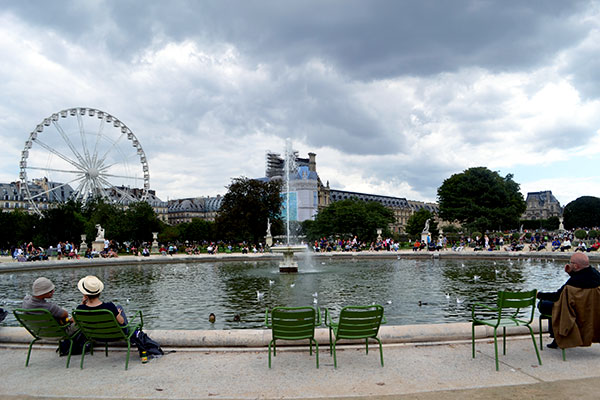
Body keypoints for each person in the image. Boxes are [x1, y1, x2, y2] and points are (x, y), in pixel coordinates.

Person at [537, 253, 600, 348]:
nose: (569, 264)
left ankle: (556, 336)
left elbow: (557, 296)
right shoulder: (596, 275)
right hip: (591, 312)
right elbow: (582, 278)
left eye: (570, 262)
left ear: (575, 265)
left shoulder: (572, 283)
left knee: (545, 305)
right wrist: (571, 273)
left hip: (572, 312)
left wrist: (539, 295)